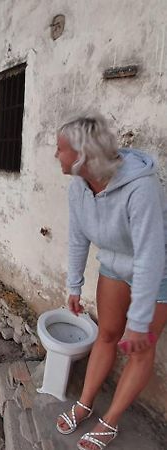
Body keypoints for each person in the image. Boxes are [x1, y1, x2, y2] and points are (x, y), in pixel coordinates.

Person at [53, 114, 167, 450]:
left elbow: (150, 255)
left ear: (83, 155)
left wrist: (139, 320)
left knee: (140, 348)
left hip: (158, 270)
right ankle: (86, 403)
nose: (55, 155)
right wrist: (74, 286)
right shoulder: (79, 188)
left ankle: (111, 421)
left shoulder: (141, 187)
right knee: (106, 334)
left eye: (60, 149)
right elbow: (77, 238)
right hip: (115, 265)